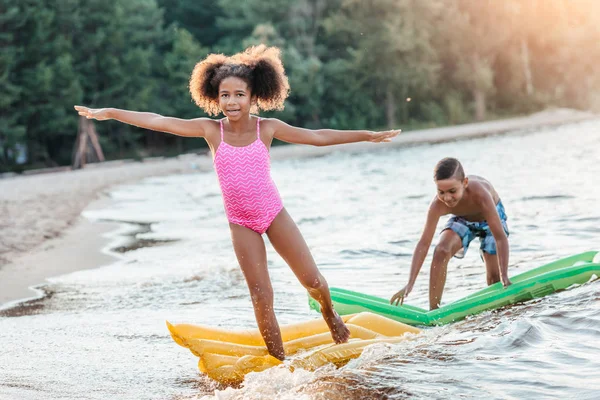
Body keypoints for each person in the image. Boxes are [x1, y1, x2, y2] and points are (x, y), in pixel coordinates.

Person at [75, 45, 401, 360]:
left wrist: (366, 135)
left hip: (274, 215)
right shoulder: (211, 131)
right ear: (215, 99)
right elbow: (158, 120)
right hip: (241, 222)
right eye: (225, 96)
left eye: (239, 95)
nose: (232, 102)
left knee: (313, 281)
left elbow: (317, 137)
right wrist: (110, 113)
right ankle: (279, 361)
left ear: (253, 97)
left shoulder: (268, 128)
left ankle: (331, 315)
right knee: (261, 295)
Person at [390, 157, 511, 310]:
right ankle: (434, 310)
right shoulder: (438, 205)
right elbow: (424, 243)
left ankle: (499, 312)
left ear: (465, 183)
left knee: (494, 278)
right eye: (441, 192)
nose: (447, 198)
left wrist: (504, 275)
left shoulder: (481, 194)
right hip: (462, 219)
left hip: (490, 219)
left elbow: (500, 238)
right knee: (441, 250)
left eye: (452, 191)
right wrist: (410, 283)